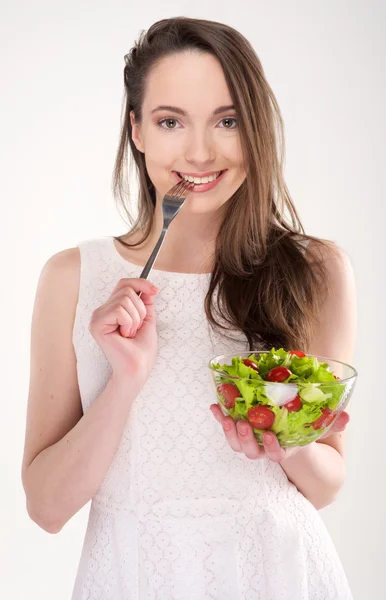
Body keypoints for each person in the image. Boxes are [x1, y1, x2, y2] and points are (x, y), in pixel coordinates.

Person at [21, 16, 357, 600]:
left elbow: (326, 484)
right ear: (137, 131)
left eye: (227, 121)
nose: (200, 152)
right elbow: (47, 509)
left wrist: (287, 439)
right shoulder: (74, 278)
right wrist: (124, 382)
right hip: (132, 575)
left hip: (279, 573)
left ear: (256, 130)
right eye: (170, 121)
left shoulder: (315, 270)